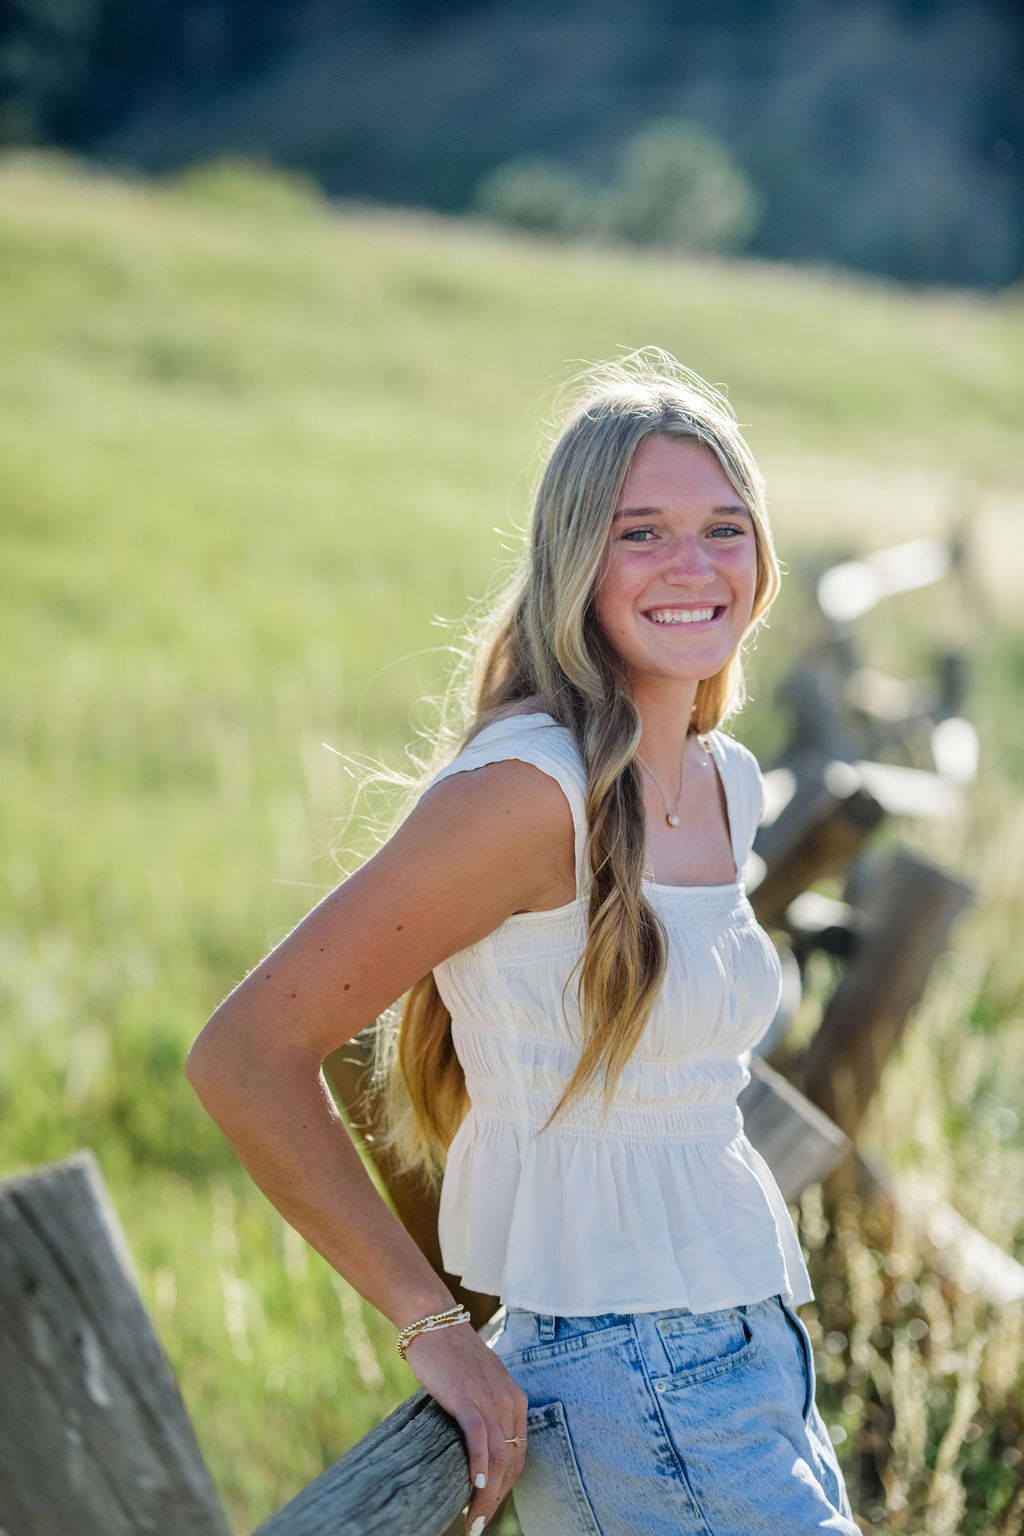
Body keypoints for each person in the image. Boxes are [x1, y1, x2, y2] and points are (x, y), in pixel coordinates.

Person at [187, 349, 859, 1536]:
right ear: (575, 563)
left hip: (757, 1351)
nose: (692, 566)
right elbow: (245, 1054)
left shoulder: (726, 783)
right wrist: (430, 1324)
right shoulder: (525, 793)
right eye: (640, 532)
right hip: (625, 1388)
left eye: (722, 528)